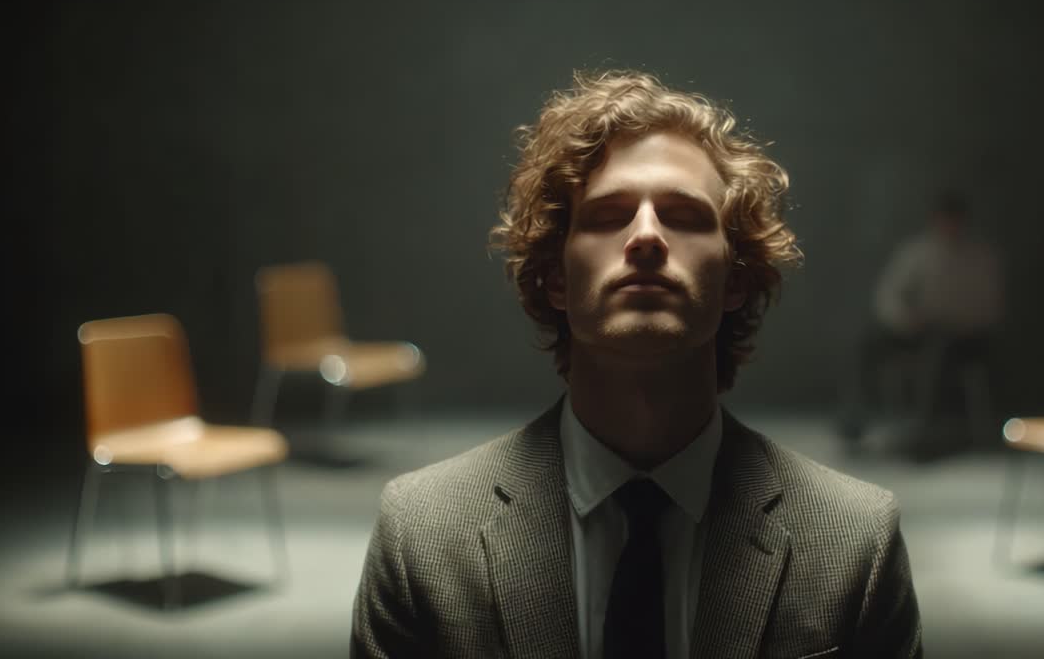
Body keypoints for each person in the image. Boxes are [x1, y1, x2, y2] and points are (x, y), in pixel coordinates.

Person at [351, 70, 923, 658]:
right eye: (606, 216)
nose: (646, 236)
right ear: (555, 278)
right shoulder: (424, 533)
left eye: (684, 215)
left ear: (735, 279)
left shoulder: (855, 540)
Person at [854, 189, 1002, 446]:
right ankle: (855, 417)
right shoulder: (917, 252)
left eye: (954, 221)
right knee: (868, 344)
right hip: (918, 329)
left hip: (964, 337)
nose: (949, 227)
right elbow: (889, 295)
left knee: (939, 351)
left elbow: (989, 308)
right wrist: (906, 320)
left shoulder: (980, 258)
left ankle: (926, 429)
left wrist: (954, 322)